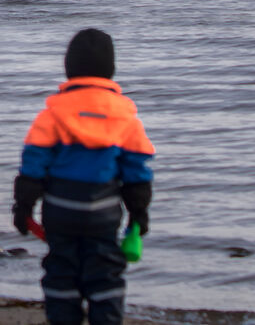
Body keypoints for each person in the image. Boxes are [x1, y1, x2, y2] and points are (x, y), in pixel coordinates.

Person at [13, 28, 155, 325]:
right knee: (105, 272)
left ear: (69, 67)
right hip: (103, 213)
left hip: (60, 210)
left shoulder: (53, 113)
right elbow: (136, 173)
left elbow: (33, 164)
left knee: (61, 270)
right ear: (111, 70)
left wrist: (23, 207)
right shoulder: (125, 116)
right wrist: (139, 214)